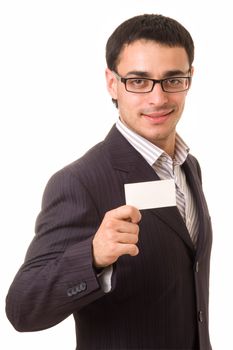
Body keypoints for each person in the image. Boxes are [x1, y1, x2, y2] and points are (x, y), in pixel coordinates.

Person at [6, 14, 212, 350]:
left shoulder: (189, 166)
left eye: (172, 79)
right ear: (112, 83)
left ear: (190, 78)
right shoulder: (78, 182)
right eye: (138, 81)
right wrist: (92, 256)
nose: (158, 98)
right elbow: (22, 309)